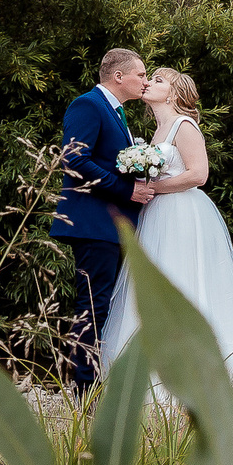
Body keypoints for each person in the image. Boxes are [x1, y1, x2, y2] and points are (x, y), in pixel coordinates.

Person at [103, 68, 233, 383]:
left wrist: (155, 188)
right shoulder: (157, 132)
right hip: (157, 216)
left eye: (158, 80)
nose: (148, 82)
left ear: (174, 93)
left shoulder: (184, 126)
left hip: (182, 215)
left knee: (182, 282)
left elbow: (199, 174)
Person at [52, 47, 154, 390]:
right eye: (140, 74)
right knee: (92, 308)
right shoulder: (88, 105)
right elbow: (74, 160)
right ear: (119, 77)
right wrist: (127, 192)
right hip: (93, 223)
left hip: (110, 226)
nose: (145, 80)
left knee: (101, 305)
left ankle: (93, 385)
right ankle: (85, 392)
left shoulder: (117, 113)